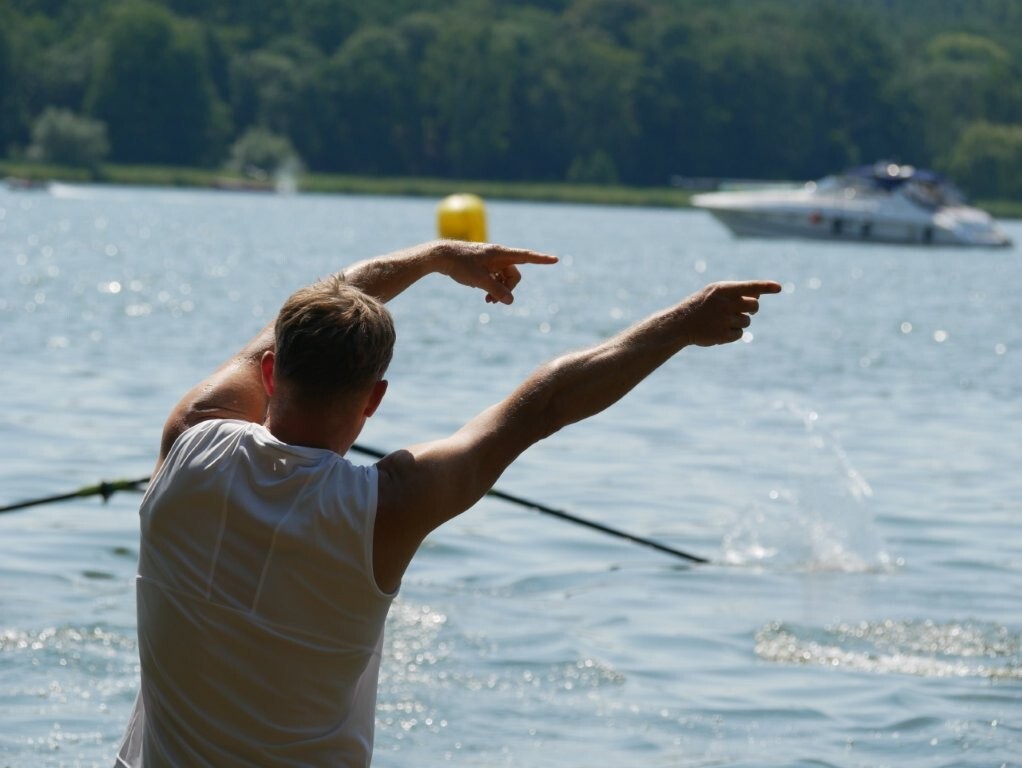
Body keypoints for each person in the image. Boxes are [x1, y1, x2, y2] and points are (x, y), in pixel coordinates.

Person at [115, 239, 780, 766]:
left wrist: (432, 256)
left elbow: (318, 307)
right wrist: (680, 325)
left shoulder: (190, 437)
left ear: (268, 373)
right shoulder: (388, 508)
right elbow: (543, 404)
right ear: (374, 399)